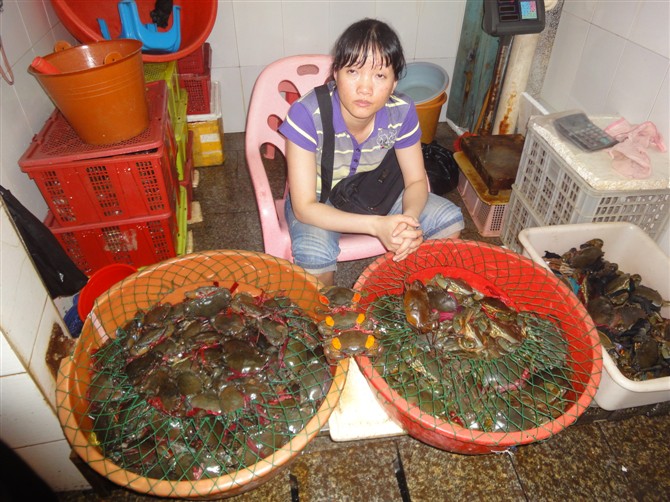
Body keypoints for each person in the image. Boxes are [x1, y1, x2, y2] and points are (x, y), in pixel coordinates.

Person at [279, 18, 464, 286]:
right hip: (318, 200)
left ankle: (412, 294)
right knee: (315, 257)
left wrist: (408, 221)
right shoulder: (306, 114)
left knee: (449, 221)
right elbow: (304, 207)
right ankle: (329, 311)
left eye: (379, 76)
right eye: (353, 71)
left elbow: (415, 180)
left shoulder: (401, 111)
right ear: (336, 73)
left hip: (374, 190)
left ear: (394, 82)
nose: (365, 89)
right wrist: (377, 225)